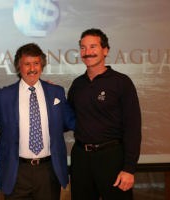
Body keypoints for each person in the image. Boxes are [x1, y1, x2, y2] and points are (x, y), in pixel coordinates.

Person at [0, 43, 75, 200]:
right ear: (19, 66)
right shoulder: (3, 96)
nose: (32, 69)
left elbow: (71, 122)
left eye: (36, 63)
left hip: (48, 171)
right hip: (16, 172)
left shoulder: (56, 92)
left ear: (42, 65)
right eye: (27, 64)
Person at [68, 28, 142, 200]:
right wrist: (50, 95)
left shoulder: (121, 82)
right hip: (81, 158)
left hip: (112, 158)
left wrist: (129, 169)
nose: (87, 52)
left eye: (93, 47)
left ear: (105, 50)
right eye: (83, 48)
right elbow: (67, 118)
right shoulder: (77, 84)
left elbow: (133, 128)